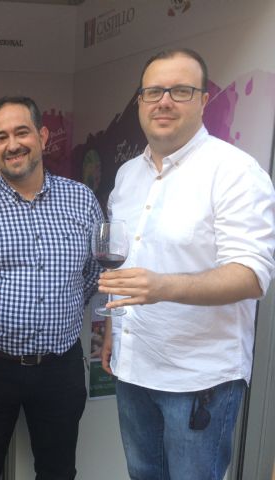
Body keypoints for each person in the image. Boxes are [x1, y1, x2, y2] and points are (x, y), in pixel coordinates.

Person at [100, 48, 275, 479]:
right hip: (134, 368)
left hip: (199, 380)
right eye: (154, 91)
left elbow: (251, 275)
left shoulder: (234, 171)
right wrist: (113, 332)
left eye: (180, 90)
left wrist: (163, 287)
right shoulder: (128, 175)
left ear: (203, 100)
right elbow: (127, 264)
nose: (164, 101)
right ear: (140, 101)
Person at [0, 96, 103, 480]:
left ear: (42, 136)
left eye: (21, 132)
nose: (12, 144)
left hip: (60, 366)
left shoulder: (81, 199)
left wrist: (59, 311)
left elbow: (94, 273)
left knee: (58, 471)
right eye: (1, 137)